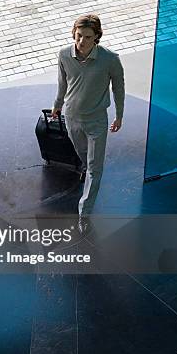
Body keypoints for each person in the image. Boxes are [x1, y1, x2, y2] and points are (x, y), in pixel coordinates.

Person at [51, 13, 125, 234]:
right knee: (83, 156)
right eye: (79, 35)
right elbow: (62, 84)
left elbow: (119, 89)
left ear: (97, 37)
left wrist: (119, 115)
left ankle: (84, 213)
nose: (81, 41)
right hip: (72, 117)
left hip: (96, 121)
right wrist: (57, 105)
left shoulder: (110, 59)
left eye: (88, 37)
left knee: (94, 168)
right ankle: (87, 167)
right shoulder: (64, 54)